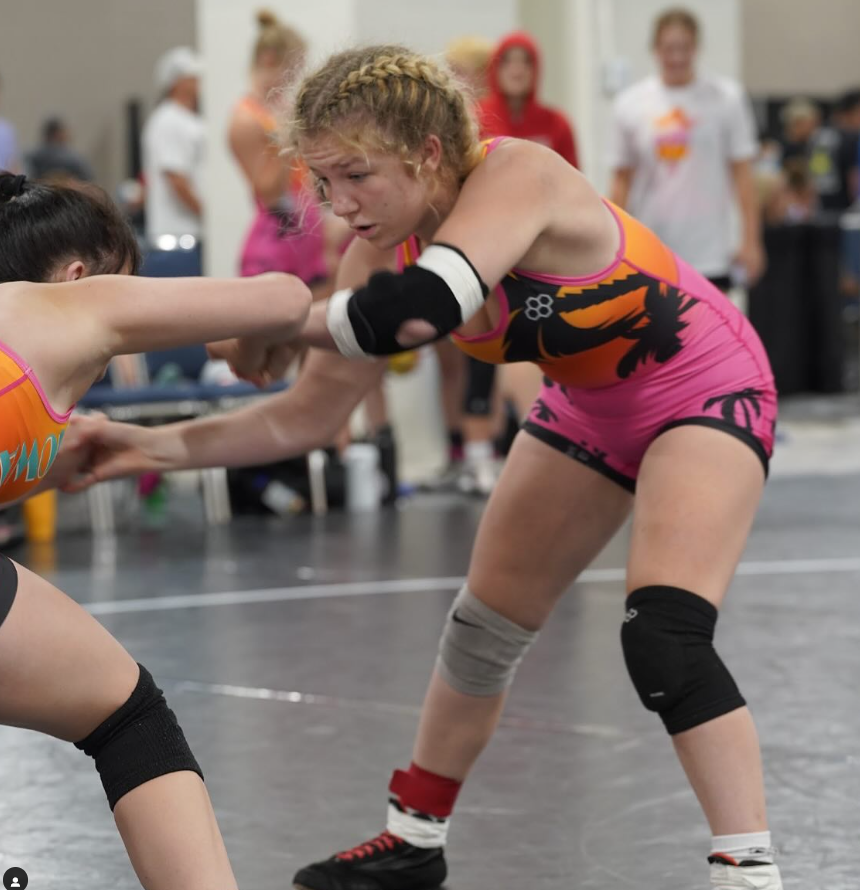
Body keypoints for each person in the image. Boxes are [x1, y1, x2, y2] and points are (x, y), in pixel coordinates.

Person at [74, 44, 784, 890]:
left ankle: (749, 871)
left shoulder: (521, 173)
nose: (339, 205)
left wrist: (266, 315)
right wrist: (136, 447)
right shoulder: (375, 253)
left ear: (429, 154)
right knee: (483, 629)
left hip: (703, 388)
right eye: (322, 183)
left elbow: (419, 311)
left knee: (662, 636)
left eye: (355, 177)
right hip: (589, 408)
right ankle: (413, 840)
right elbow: (308, 415)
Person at [0, 170, 310, 888]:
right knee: (129, 719)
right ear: (79, 275)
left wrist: (53, 462)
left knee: (118, 703)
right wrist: (243, 341)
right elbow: (285, 296)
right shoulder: (65, 304)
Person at [608, 7, 764, 292]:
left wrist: (750, 240)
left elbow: (743, 174)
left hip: (710, 250)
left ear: (696, 48)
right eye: (669, 48)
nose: (676, 57)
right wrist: (613, 245)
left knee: (707, 333)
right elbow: (621, 180)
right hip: (651, 247)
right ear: (655, 49)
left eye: (684, 48)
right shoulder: (630, 104)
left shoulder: (726, 98)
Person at [229, 10, 335, 295]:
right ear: (268, 60)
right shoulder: (246, 120)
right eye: (294, 70)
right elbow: (268, 192)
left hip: (304, 226)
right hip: (280, 235)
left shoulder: (274, 110)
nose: (295, 80)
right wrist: (285, 137)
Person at [142, 46, 205, 276]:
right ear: (178, 82)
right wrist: (209, 215)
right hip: (178, 241)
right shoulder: (168, 121)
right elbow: (177, 179)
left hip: (193, 238)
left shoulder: (191, 120)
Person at [25, 116, 94, 183]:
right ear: (57, 134)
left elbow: (28, 177)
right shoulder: (73, 158)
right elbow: (87, 178)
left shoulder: (32, 155)